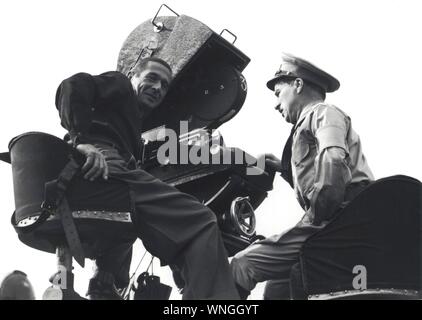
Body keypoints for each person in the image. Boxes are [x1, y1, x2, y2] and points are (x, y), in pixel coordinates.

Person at [55, 56, 239, 300]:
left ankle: (104, 286)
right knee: (202, 220)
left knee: (129, 225)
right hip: (106, 166)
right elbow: (72, 86)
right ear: (133, 76)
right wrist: (81, 141)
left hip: (106, 172)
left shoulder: (128, 123)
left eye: (164, 85)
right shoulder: (120, 84)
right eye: (151, 78)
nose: (157, 88)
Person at [230, 53, 374, 299]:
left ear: (297, 84)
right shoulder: (308, 124)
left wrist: (315, 218)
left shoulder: (323, 113)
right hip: (340, 221)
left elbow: (334, 160)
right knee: (277, 288)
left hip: (337, 221)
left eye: (278, 93)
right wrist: (282, 167)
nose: (276, 104)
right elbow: (317, 171)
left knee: (241, 265)